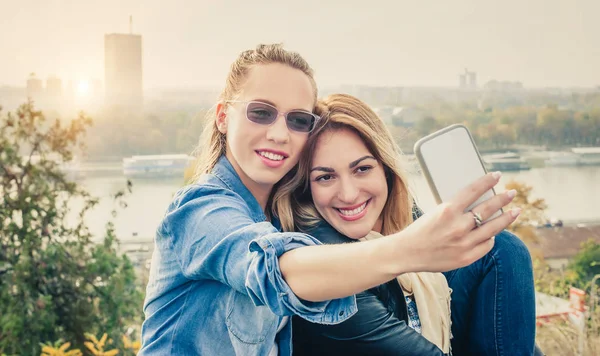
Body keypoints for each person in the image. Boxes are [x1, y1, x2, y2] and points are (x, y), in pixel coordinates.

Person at [139, 45, 520, 355]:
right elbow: (277, 270)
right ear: (223, 117)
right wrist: (409, 249)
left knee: (499, 248)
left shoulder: (287, 210)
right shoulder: (201, 211)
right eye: (261, 113)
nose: (278, 133)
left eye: (297, 120)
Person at [280, 93, 536, 355]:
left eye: (362, 169)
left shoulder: (400, 214)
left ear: (386, 169)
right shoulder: (324, 270)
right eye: (325, 177)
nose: (348, 194)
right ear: (305, 187)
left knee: (501, 248)